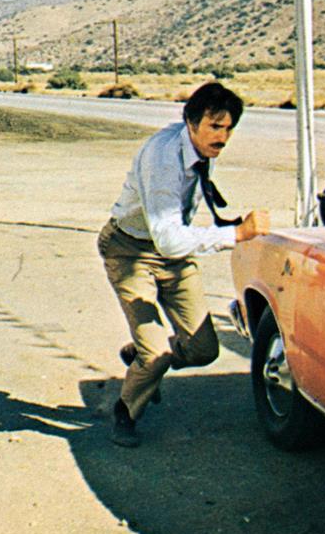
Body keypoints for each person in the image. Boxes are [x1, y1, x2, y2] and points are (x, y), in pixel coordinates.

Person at [97, 82, 269, 447]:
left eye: (229, 128)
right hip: (130, 251)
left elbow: (174, 238)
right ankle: (126, 411)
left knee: (204, 349)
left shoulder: (198, 147)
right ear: (191, 123)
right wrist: (236, 234)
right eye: (214, 127)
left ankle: (139, 356)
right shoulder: (163, 160)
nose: (223, 137)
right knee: (157, 353)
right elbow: (169, 239)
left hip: (170, 255)